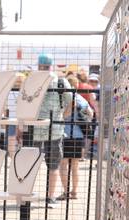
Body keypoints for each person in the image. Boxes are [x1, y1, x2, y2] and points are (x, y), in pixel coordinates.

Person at [16, 54, 73, 205]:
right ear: (51, 65)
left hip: (32, 128)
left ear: (38, 65)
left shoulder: (30, 81)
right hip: (54, 128)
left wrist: (19, 128)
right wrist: (61, 117)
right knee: (53, 165)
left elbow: (22, 106)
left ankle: (26, 195)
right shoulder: (61, 82)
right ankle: (51, 196)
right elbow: (69, 103)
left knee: (28, 163)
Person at [57, 72, 92, 201]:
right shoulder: (81, 99)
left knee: (63, 165)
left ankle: (66, 192)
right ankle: (74, 192)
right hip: (79, 136)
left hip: (65, 135)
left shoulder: (64, 99)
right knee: (75, 166)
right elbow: (91, 114)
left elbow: (64, 116)